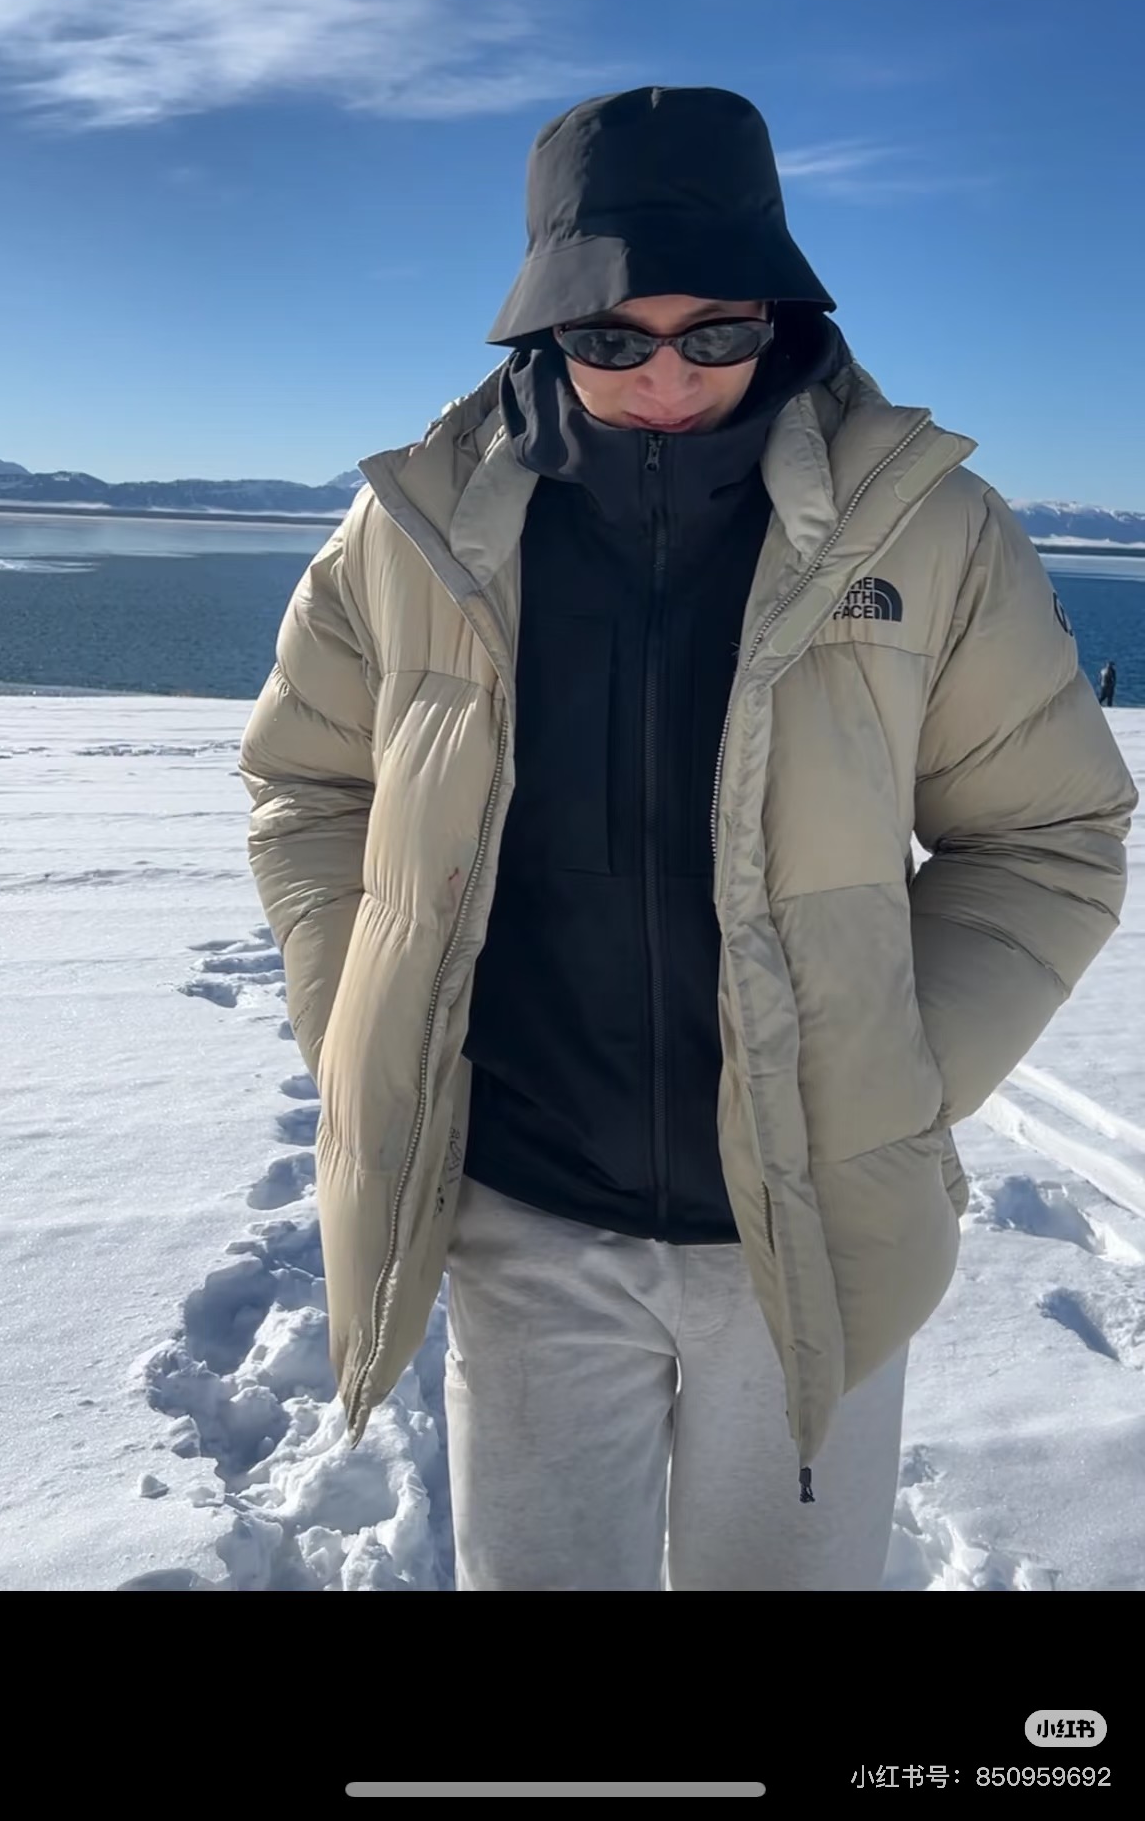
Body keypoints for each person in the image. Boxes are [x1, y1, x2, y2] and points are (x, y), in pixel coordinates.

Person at [240, 85, 1137, 1592]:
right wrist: (356, 1024)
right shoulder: (414, 533)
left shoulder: (929, 530)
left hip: (811, 1231)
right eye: (612, 339)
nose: (667, 377)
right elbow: (310, 788)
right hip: (526, 1210)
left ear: (778, 315)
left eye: (714, 332)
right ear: (546, 331)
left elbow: (1046, 836)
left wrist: (893, 1080)